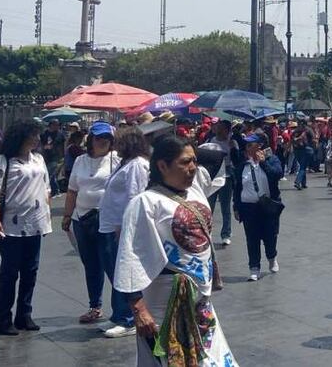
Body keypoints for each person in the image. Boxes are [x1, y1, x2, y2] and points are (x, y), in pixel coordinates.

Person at [115, 134, 238, 366]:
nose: (192, 168)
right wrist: (138, 309)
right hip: (165, 301)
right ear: (162, 166)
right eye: (184, 162)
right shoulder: (145, 202)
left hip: (200, 298)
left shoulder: (195, 190)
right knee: (171, 360)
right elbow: (130, 256)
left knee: (212, 359)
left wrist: (188, 142)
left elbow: (217, 157)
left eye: (194, 161)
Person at [0, 119, 52, 336]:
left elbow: (46, 188)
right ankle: (4, 318)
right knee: (9, 273)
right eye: (33, 135)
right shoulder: (4, 161)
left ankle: (24, 314)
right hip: (11, 226)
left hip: (36, 223)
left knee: (30, 271)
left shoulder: (38, 159)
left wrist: (46, 213)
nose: (37, 139)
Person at [62, 121, 120, 324]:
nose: (102, 141)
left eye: (106, 138)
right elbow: (72, 190)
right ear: (91, 140)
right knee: (91, 264)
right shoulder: (80, 161)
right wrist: (67, 215)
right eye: (98, 138)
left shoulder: (116, 159)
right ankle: (95, 306)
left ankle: (122, 309)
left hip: (106, 220)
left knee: (111, 263)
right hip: (82, 218)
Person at [97, 126, 152, 339]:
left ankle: (128, 318)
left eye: (119, 142)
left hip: (119, 227)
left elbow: (134, 196)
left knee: (122, 273)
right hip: (109, 224)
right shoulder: (125, 163)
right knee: (113, 271)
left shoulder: (137, 165)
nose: (115, 146)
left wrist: (126, 227)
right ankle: (118, 314)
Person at [233, 133, 283, 281]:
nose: (247, 148)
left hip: (268, 206)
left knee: (270, 236)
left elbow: (277, 175)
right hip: (249, 208)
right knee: (252, 239)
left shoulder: (271, 159)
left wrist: (263, 163)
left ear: (259, 146)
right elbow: (237, 188)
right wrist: (236, 206)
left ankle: (271, 257)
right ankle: (254, 268)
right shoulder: (243, 165)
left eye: (250, 145)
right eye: (246, 146)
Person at [199, 119, 235, 246]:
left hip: (227, 175)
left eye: (223, 128)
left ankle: (226, 233)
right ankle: (206, 232)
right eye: (219, 127)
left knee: (226, 207)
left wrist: (233, 148)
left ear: (228, 130)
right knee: (209, 206)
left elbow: (237, 159)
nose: (220, 130)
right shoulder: (210, 141)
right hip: (213, 176)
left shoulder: (232, 142)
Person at [39, 118, 66, 197]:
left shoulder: (60, 134)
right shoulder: (44, 133)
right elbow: (40, 143)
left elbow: (63, 146)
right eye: (55, 125)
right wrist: (44, 148)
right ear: (51, 125)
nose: (57, 126)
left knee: (50, 173)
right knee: (49, 174)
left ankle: (54, 190)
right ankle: (55, 190)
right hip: (46, 156)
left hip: (56, 157)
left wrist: (64, 156)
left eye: (58, 125)